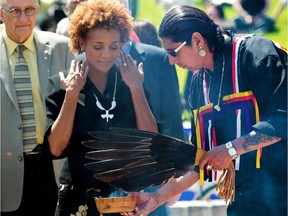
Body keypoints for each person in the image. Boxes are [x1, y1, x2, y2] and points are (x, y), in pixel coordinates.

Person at [123, 5, 287, 216]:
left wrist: (230, 149)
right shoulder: (198, 85)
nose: (171, 60)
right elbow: (202, 159)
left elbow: (283, 118)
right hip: (247, 200)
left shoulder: (255, 54)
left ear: (197, 40)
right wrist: (157, 197)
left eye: (173, 52)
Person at [43, 0, 158, 215]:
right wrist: (71, 95)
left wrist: (136, 89)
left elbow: (150, 142)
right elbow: (56, 148)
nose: (107, 54)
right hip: (77, 201)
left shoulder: (132, 81)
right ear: (81, 42)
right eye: (98, 47)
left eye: (114, 47)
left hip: (124, 200)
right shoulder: (61, 84)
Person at [0, 0, 74, 215]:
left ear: (37, 10)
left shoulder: (61, 48)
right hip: (5, 172)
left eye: (29, 10)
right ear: (1, 14)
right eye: (15, 11)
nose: (23, 18)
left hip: (52, 167)